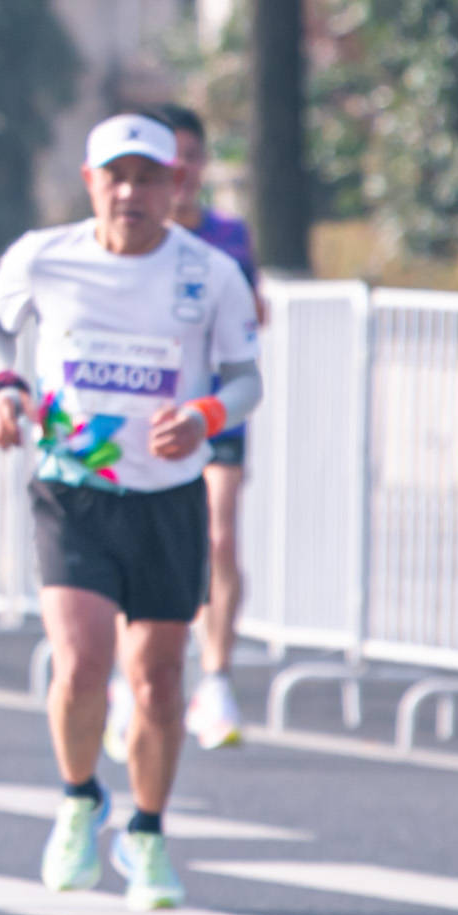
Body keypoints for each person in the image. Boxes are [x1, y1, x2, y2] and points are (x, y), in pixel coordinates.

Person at [0, 114, 265, 913]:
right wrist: (3, 388)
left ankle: (147, 832)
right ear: (91, 181)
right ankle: (77, 800)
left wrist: (207, 414)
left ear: (177, 185)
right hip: (75, 485)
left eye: (149, 177)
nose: (131, 193)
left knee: (160, 681)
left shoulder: (211, 273)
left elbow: (246, 377)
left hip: (168, 499)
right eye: (117, 176)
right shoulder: (44, 256)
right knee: (81, 662)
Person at [156, 101, 265, 753]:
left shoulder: (229, 236)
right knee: (148, 537)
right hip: (146, 411)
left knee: (219, 533)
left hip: (215, 405)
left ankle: (216, 676)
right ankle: (134, 671)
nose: (182, 168)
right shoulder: (126, 233)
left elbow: (251, 316)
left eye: (192, 154)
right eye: (170, 155)